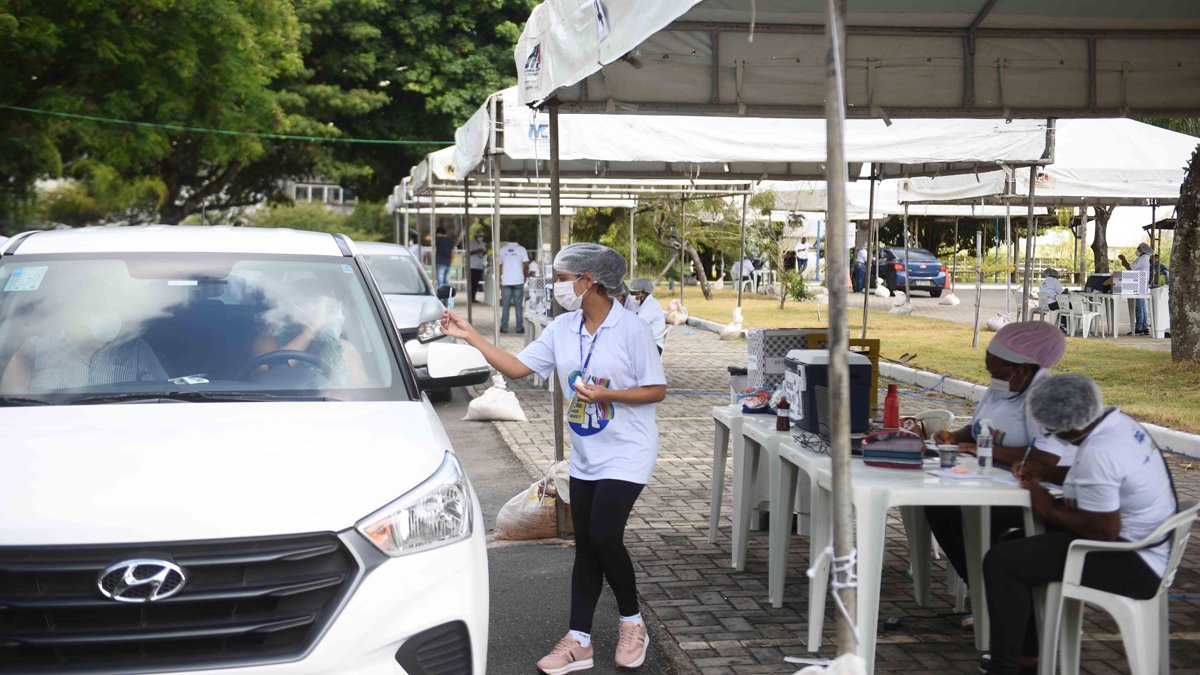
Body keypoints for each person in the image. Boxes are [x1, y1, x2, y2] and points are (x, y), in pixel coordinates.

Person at [441, 242, 666, 674]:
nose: (558, 286)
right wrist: (471, 336)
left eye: (564, 279)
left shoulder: (632, 330)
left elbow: (655, 390)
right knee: (586, 544)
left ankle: (632, 623)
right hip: (586, 454)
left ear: (590, 282)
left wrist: (607, 394)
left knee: (604, 535)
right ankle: (579, 640)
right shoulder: (562, 329)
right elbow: (518, 369)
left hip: (629, 451)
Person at [980, 374, 1176, 675]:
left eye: (1050, 431)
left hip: (1133, 561)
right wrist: (1045, 473)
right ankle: (1028, 654)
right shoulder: (1118, 424)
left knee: (1001, 562)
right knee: (1014, 543)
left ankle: (1005, 667)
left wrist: (1045, 505)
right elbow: (1090, 476)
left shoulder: (1100, 453)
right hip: (1151, 543)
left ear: (1068, 429)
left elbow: (1102, 531)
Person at [925, 321, 1069, 614]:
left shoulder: (1047, 397)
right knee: (937, 506)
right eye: (991, 373)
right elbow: (979, 428)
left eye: (1000, 374)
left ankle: (993, 598)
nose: (994, 380)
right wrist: (954, 438)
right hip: (992, 481)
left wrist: (983, 450)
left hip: (1033, 492)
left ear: (1025, 369)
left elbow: (1045, 459)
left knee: (969, 515)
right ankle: (979, 590)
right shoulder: (1002, 389)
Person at [0, 288, 168, 393]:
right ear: (70, 312)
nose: (105, 314)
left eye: (108, 308)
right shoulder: (34, 348)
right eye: (92, 308)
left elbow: (162, 397)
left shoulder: (136, 350)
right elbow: (11, 405)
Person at [251, 281, 368, 387]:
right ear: (289, 307)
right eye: (306, 305)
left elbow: (361, 395)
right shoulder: (268, 340)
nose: (318, 314)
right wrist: (312, 329)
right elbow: (269, 372)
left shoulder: (345, 349)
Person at [498, 229, 530, 334]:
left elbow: (500, 266)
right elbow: (526, 265)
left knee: (505, 305)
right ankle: (519, 327)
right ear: (517, 238)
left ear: (507, 238)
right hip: (518, 280)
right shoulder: (522, 249)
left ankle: (504, 327)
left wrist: (499, 279)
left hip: (506, 281)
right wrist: (525, 275)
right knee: (518, 305)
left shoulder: (502, 250)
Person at [1117, 242, 1153, 335]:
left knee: (1139, 305)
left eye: (1138, 249)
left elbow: (1130, 269)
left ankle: (1139, 326)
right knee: (1142, 305)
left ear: (1142, 250)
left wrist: (1123, 260)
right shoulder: (1146, 259)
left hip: (1139, 283)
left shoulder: (1141, 259)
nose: (1137, 250)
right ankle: (1144, 327)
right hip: (1142, 282)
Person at [627, 278, 668, 354]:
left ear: (642, 292)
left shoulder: (652, 304)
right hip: (645, 342)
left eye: (633, 293)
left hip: (654, 345)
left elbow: (637, 325)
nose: (631, 296)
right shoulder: (640, 303)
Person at [468, 233, 487, 302]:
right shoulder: (471, 243)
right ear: (475, 236)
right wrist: (477, 251)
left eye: (482, 236)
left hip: (480, 265)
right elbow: (468, 253)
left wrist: (484, 252)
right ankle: (471, 298)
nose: (480, 237)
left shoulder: (483, 243)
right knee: (472, 282)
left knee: (476, 283)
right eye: (479, 236)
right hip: (472, 266)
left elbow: (484, 253)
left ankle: (473, 297)